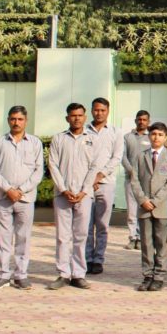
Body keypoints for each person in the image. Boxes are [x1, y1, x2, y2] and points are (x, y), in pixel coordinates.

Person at [0, 106, 44, 290]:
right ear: (8, 120)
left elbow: (38, 171)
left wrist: (20, 190)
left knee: (23, 238)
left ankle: (21, 275)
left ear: (26, 121)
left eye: (20, 119)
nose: (16, 122)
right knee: (3, 239)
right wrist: (8, 189)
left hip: (25, 199)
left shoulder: (35, 143)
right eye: (13, 119)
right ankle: (3, 275)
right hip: (3, 198)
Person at [47, 103, 94, 290]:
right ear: (67, 118)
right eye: (73, 115)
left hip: (84, 195)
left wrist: (84, 190)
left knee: (81, 235)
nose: (77, 118)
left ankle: (78, 274)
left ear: (85, 117)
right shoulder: (58, 139)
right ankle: (63, 273)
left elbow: (94, 167)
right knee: (63, 236)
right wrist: (63, 189)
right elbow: (53, 165)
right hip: (62, 195)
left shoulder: (92, 139)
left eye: (80, 115)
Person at [129, 122, 167, 292]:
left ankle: (159, 276)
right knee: (146, 243)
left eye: (160, 134)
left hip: (162, 208)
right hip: (144, 207)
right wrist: (143, 200)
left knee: (161, 243)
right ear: (149, 136)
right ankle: (147, 275)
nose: (156, 137)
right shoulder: (140, 156)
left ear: (165, 137)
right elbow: (134, 180)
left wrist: (156, 201)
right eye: (153, 134)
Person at [84, 97, 123, 276]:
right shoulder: (84, 131)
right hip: (85, 185)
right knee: (86, 225)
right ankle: (87, 258)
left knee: (102, 225)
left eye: (102, 110)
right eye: (96, 110)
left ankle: (98, 259)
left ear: (108, 111)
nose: (99, 113)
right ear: (91, 111)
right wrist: (89, 179)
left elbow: (116, 158)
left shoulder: (115, 132)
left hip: (106, 184)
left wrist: (100, 175)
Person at [121, 110, 151, 250]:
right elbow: (123, 157)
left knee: (144, 209)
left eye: (144, 120)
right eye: (139, 119)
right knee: (132, 211)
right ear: (135, 121)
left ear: (148, 121)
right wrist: (132, 172)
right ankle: (133, 237)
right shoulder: (127, 137)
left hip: (146, 181)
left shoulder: (151, 137)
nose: (142, 122)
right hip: (131, 179)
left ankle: (142, 238)